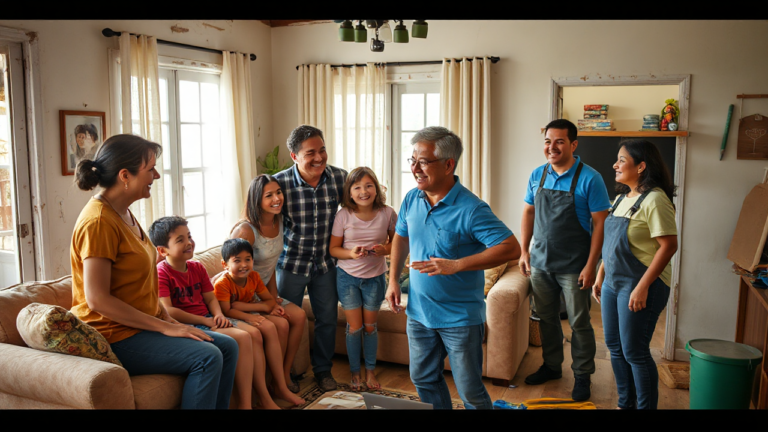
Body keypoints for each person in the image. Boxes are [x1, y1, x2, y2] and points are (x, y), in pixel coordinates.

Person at [70, 133, 237, 409]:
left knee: (228, 346)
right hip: (115, 334)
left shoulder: (123, 212)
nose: (156, 176)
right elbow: (97, 299)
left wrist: (171, 322)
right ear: (125, 175)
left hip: (140, 326)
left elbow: (140, 287)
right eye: (150, 169)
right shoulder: (98, 222)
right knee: (208, 356)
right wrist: (166, 327)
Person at [385, 126, 520, 410]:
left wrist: (458, 264)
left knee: (470, 391)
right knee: (423, 379)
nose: (415, 169)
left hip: (460, 318)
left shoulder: (472, 209)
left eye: (423, 162)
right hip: (419, 313)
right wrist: (393, 280)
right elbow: (401, 236)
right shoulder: (411, 198)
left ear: (448, 165)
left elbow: (511, 248)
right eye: (413, 160)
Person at [149, 215, 289, 410]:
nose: (189, 242)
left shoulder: (197, 267)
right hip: (188, 325)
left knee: (253, 334)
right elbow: (170, 310)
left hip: (209, 319)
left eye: (189, 236)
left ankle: (254, 400)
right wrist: (205, 321)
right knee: (243, 337)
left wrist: (218, 315)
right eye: (180, 240)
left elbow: (210, 298)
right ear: (163, 250)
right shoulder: (161, 272)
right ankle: (246, 404)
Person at [518, 119, 611, 401]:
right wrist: (524, 252)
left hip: (575, 265)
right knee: (546, 318)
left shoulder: (590, 178)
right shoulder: (537, 175)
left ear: (573, 144)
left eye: (559, 141)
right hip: (541, 263)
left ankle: (582, 375)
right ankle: (551, 366)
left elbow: (601, 224)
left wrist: (592, 265)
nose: (552, 147)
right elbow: (528, 213)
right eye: (548, 141)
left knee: (579, 322)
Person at [592, 139, 678, 410]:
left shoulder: (655, 199)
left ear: (641, 166)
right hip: (613, 282)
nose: (615, 165)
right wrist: (601, 272)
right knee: (615, 347)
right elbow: (611, 242)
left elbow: (669, 246)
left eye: (622, 160)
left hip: (642, 284)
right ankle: (624, 404)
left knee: (635, 352)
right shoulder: (621, 198)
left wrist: (642, 287)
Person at [272, 125, 348, 392]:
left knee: (327, 319)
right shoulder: (278, 184)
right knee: (285, 322)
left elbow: (358, 212)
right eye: (310, 153)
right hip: (290, 265)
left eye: (322, 150)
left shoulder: (340, 178)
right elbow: (260, 221)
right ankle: (286, 374)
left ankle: (323, 371)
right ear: (294, 156)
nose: (319, 157)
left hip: (326, 264)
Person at [229, 174, 308, 393]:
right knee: (281, 324)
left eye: (278, 192)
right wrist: (266, 303)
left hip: (262, 291)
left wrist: (272, 297)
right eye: (269, 195)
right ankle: (275, 382)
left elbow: (270, 264)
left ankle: (283, 374)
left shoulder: (278, 221)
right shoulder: (246, 230)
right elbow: (234, 273)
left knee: (299, 316)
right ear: (257, 199)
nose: (277, 199)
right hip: (243, 296)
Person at [213, 238, 305, 407]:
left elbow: (269, 301)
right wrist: (250, 315)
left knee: (279, 324)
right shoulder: (222, 284)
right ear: (224, 264)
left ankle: (280, 386)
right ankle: (267, 395)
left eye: (248, 259)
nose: (244, 265)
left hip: (247, 310)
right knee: (268, 326)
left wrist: (249, 306)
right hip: (231, 318)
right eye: (237, 261)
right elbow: (227, 311)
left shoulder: (253, 276)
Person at [329, 167, 396, 391]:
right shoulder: (343, 215)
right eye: (357, 187)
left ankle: (370, 371)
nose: (363, 191)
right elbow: (333, 249)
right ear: (349, 192)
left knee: (369, 327)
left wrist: (385, 249)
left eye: (368, 186)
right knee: (354, 327)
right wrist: (351, 253)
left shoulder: (388, 213)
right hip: (347, 277)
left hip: (375, 278)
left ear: (376, 189)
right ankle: (355, 372)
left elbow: (397, 244)